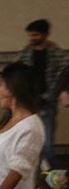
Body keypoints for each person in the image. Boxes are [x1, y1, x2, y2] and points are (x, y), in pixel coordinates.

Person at [13, 19, 69, 166]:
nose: (32, 38)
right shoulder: (25, 53)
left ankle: (49, 174)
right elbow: (14, 71)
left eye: (35, 35)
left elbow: (63, 76)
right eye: (31, 35)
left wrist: (52, 94)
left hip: (47, 103)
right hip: (28, 101)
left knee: (47, 143)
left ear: (45, 35)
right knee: (27, 138)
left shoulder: (56, 54)